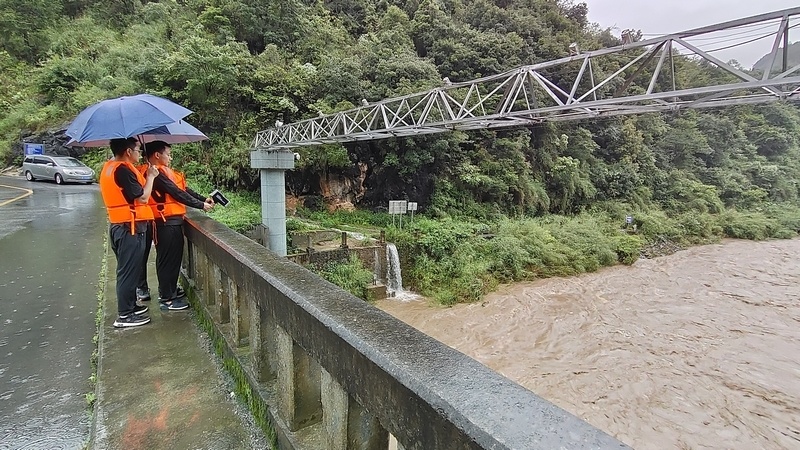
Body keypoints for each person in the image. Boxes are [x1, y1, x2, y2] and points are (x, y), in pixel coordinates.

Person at [136, 140, 213, 311]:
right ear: (157, 155)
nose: (170, 158)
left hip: (171, 220)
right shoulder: (155, 174)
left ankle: (169, 290)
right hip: (164, 221)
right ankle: (167, 298)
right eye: (168, 154)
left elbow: (183, 189)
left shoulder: (159, 172)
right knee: (167, 259)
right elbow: (175, 192)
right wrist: (200, 206)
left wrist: (202, 199)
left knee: (173, 258)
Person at [100, 137, 159, 328]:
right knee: (127, 272)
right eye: (138, 150)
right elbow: (142, 198)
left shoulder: (110, 167)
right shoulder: (123, 169)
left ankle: (131, 306)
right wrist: (150, 177)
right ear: (128, 151)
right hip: (128, 228)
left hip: (122, 226)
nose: (140, 154)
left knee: (130, 270)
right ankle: (125, 315)